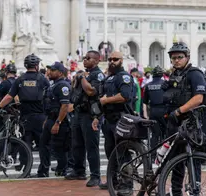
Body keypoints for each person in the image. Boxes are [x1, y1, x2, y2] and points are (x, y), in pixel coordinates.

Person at [161, 41, 206, 196]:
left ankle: (195, 191)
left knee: (193, 160)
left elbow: (199, 98)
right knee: (175, 161)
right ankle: (176, 192)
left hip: (190, 124)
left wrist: (179, 111)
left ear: (187, 57)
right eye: (173, 58)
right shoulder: (174, 75)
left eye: (180, 57)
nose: (176, 60)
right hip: (173, 124)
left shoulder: (195, 74)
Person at [91, 51, 134, 194]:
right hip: (108, 120)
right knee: (111, 152)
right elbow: (102, 99)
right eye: (110, 59)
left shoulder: (124, 77)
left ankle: (127, 184)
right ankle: (114, 180)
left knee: (123, 153)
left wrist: (106, 100)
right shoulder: (108, 78)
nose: (112, 61)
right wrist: (97, 117)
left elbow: (125, 96)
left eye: (115, 59)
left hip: (121, 119)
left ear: (122, 60)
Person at [0, 54, 48, 174]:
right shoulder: (42, 79)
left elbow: (9, 96)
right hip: (40, 117)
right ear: (36, 66)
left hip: (25, 117)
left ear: (26, 66)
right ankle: (43, 171)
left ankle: (26, 169)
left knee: (25, 145)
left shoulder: (20, 79)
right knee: (43, 145)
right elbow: (49, 96)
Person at [65, 50, 104, 187]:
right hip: (79, 112)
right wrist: (77, 78)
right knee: (77, 144)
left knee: (91, 146)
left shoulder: (97, 75)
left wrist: (82, 78)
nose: (85, 60)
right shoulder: (83, 73)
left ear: (97, 60)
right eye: (85, 58)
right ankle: (79, 171)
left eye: (89, 58)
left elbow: (91, 91)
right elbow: (74, 89)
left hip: (91, 114)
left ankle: (95, 176)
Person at [38, 62, 71, 177]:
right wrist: (47, 120)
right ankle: (43, 170)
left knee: (59, 147)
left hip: (59, 121)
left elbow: (65, 106)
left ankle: (62, 169)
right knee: (43, 144)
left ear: (60, 73)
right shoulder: (53, 85)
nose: (49, 72)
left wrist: (58, 122)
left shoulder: (63, 86)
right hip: (51, 118)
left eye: (52, 70)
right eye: (49, 69)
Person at [143, 66, 167, 154]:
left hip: (153, 112)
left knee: (155, 134)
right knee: (166, 133)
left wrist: (145, 114)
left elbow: (144, 101)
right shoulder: (165, 84)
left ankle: (152, 155)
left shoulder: (148, 85)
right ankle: (164, 154)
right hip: (164, 111)